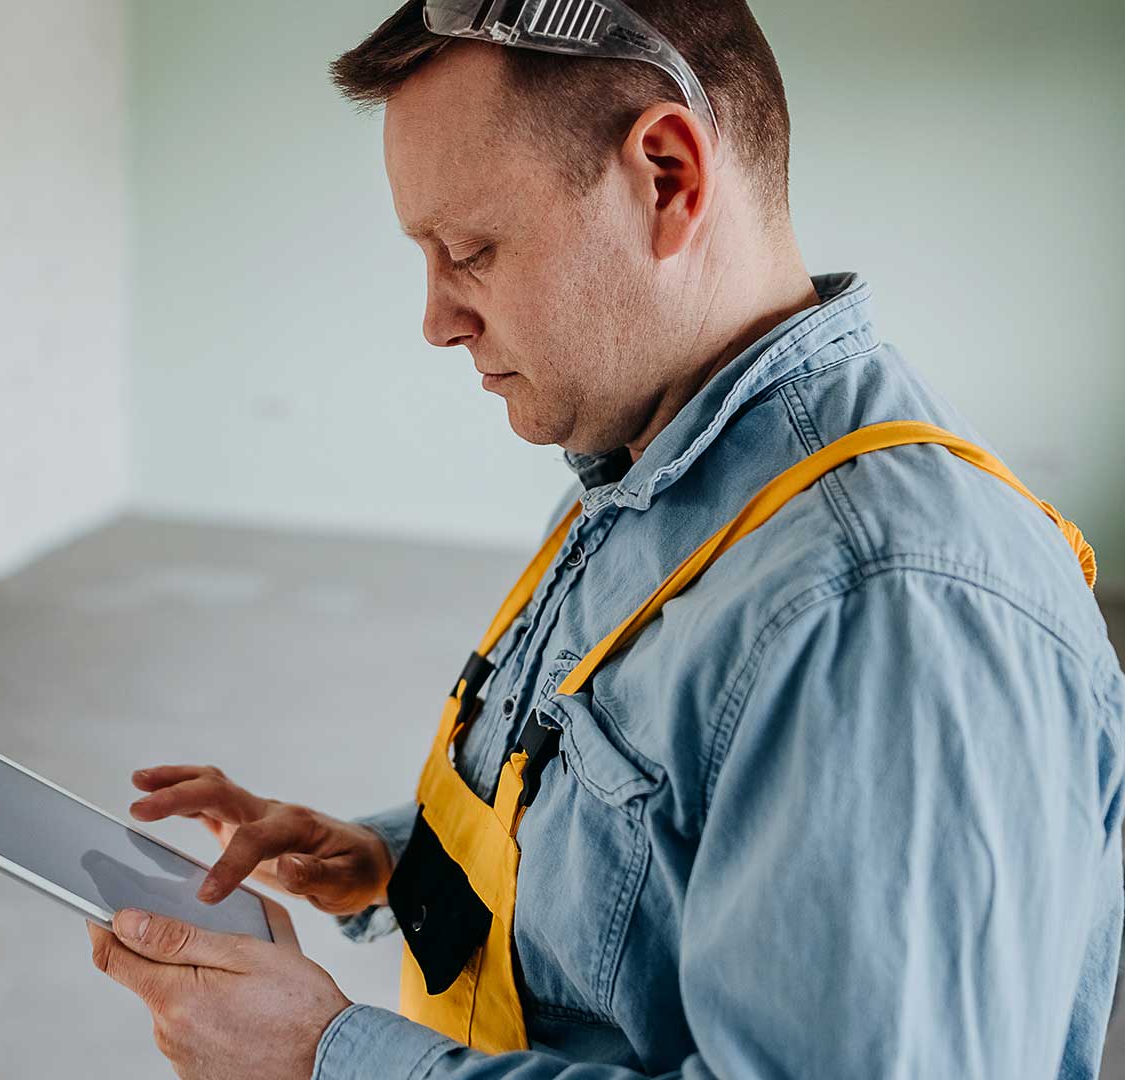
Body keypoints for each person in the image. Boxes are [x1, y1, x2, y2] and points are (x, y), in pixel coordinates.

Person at [84, 1, 1125, 1078]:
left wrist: (326, 1057)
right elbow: (646, 828)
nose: (437, 318)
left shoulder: (882, 611)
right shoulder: (645, 465)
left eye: (470, 250)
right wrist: (399, 862)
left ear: (667, 176)